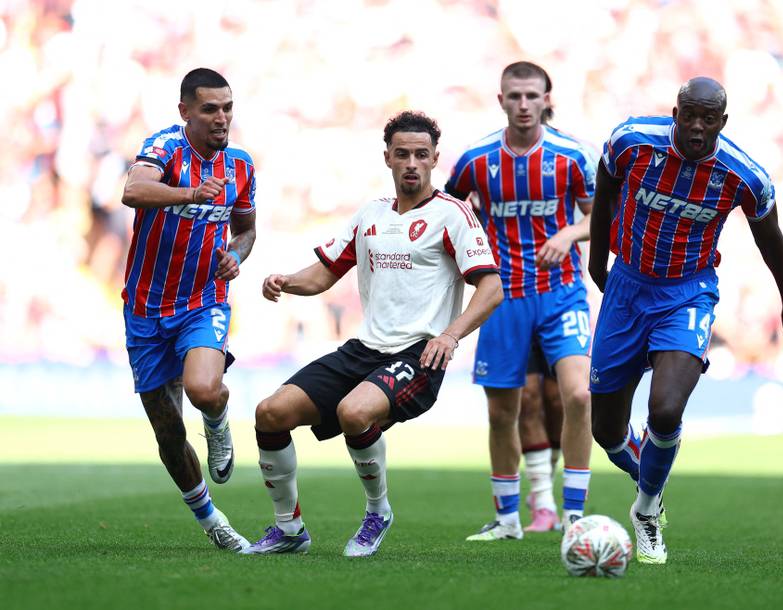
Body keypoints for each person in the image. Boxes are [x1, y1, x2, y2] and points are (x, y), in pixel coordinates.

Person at [241, 111, 503, 558]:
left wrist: (451, 336)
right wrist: (285, 281)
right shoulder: (371, 214)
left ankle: (377, 512)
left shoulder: (453, 215)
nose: (412, 163)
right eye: (402, 154)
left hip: (420, 353)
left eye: (421, 154)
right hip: (364, 349)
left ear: (435, 158)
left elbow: (491, 287)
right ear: (387, 158)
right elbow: (326, 273)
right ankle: (289, 529)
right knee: (270, 413)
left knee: (354, 411)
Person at [587, 77, 783, 564]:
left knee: (666, 410)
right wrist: (597, 255)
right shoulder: (631, 141)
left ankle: (647, 510)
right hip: (626, 288)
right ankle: (647, 470)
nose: (696, 126)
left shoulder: (742, 175)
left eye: (707, 118)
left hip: (688, 293)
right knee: (605, 431)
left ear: (722, 122)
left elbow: (768, 237)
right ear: (675, 112)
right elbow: (605, 182)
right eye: (688, 115)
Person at [446, 61, 597, 540]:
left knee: (578, 393)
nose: (524, 105)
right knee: (502, 410)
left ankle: (573, 514)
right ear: (501, 101)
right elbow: (448, 213)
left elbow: (603, 220)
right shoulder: (475, 159)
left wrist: (571, 232)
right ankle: (509, 519)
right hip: (501, 298)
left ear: (547, 99)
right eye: (515, 96)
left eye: (532, 96)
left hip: (561, 293)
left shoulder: (573, 155)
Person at [120, 67, 257, 551]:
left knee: (203, 389)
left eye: (227, 108)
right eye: (209, 109)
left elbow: (246, 230)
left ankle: (217, 422)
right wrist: (190, 194)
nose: (222, 118)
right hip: (145, 307)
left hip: (204, 299)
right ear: (185, 112)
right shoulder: (164, 147)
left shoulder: (241, 165)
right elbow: (133, 191)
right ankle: (212, 521)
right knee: (168, 433)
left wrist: (235, 256)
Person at [518, 340, 564, 532]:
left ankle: (546, 480)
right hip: (518, 313)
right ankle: (544, 503)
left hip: (557, 313)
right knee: (527, 397)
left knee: (558, 400)